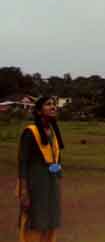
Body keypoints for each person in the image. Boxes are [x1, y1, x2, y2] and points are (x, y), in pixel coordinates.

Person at [17, 96, 64, 242]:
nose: (53, 107)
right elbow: (23, 162)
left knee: (50, 220)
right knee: (35, 220)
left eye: (54, 104)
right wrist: (24, 191)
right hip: (35, 184)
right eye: (48, 104)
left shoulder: (53, 132)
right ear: (38, 111)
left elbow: (56, 159)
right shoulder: (30, 132)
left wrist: (57, 175)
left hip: (51, 184)